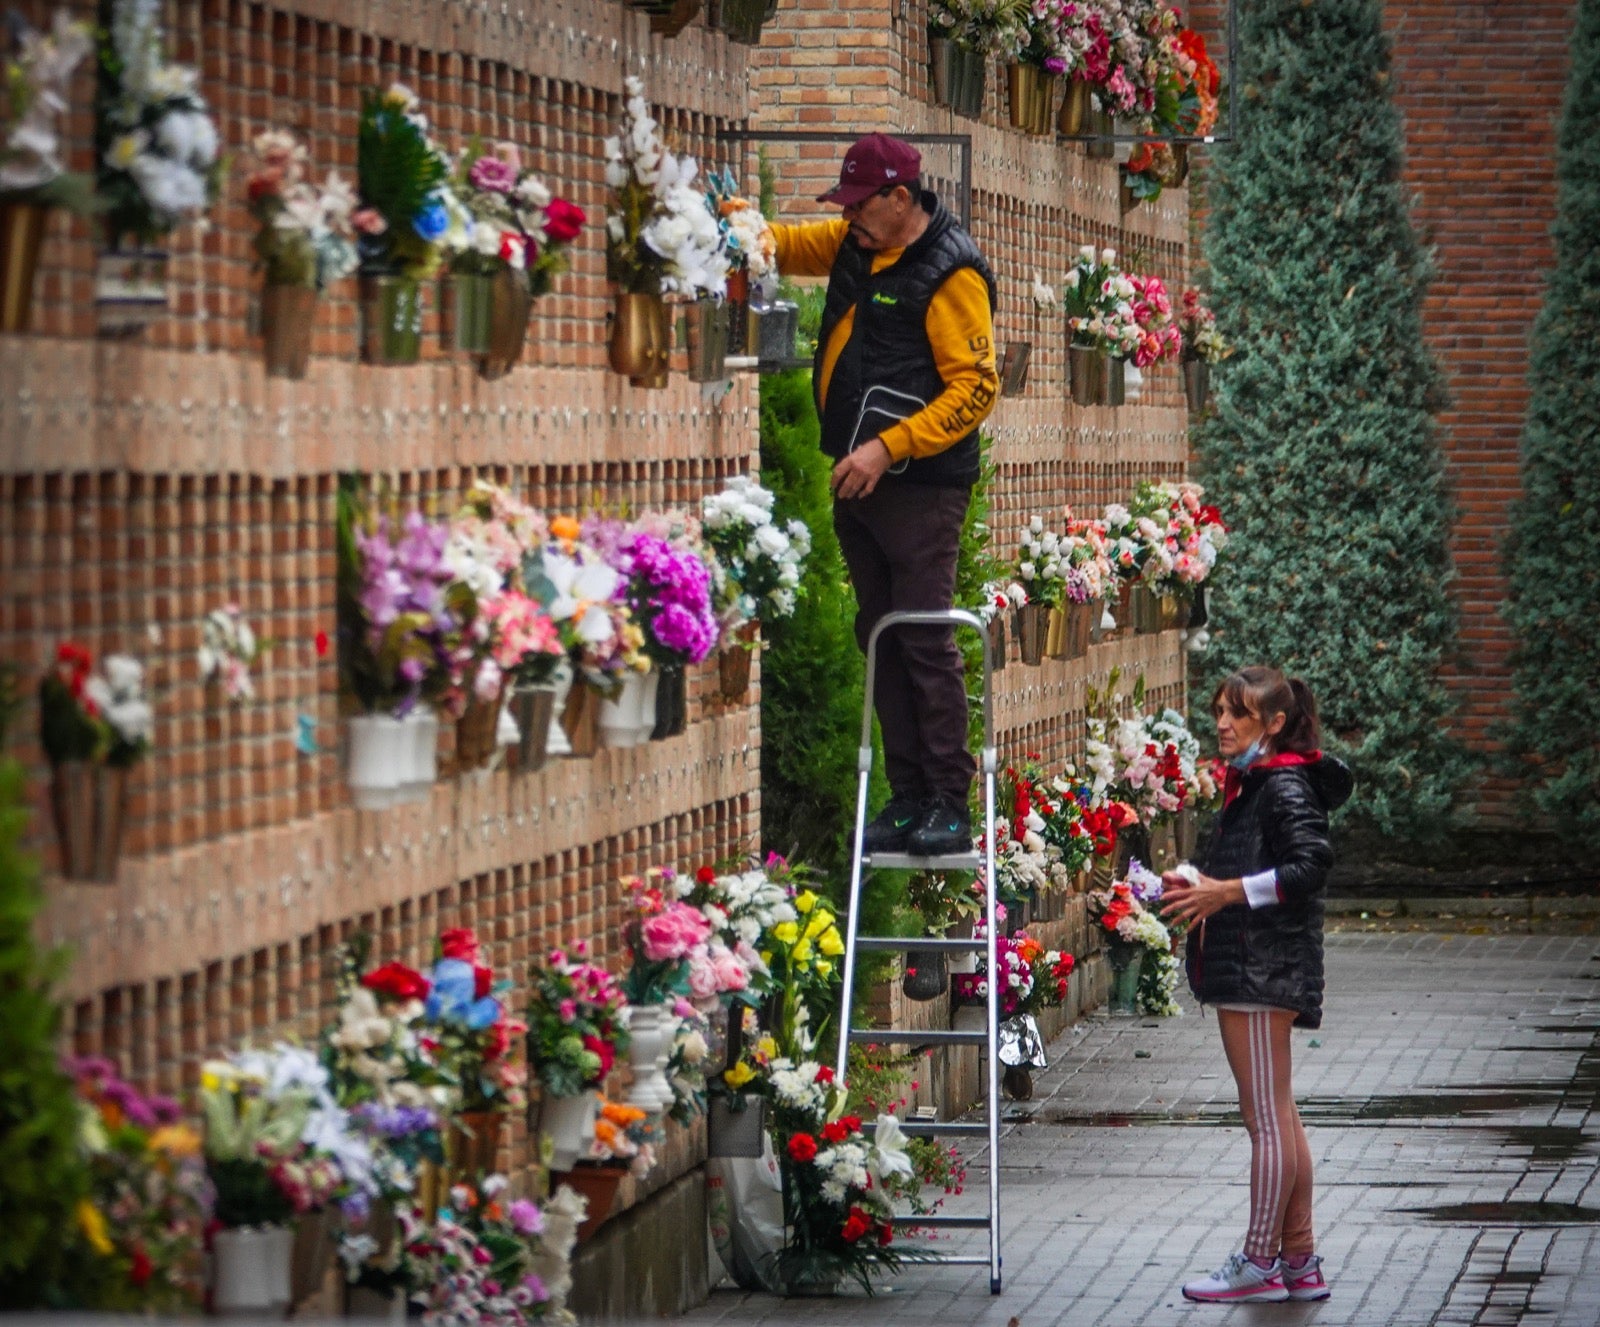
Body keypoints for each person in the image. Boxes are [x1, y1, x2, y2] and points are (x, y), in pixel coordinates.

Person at [767, 133, 999, 857]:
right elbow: (783, 244)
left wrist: (887, 447)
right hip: (858, 479)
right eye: (844, 207)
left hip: (922, 487)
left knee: (925, 638)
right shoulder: (855, 243)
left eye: (860, 205)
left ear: (902, 197)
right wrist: (729, 224)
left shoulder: (948, 270)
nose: (849, 219)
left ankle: (948, 802)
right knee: (881, 636)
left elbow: (977, 387)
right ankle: (905, 800)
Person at [1159, 666, 1353, 1304]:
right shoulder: (1257, 783)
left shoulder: (1281, 784)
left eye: (1238, 714)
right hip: (1254, 962)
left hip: (1260, 967)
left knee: (1265, 1119)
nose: (1221, 723)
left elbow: (1309, 865)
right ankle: (1298, 1262)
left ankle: (1259, 1261)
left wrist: (1226, 892)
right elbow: (1256, 868)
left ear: (1274, 724)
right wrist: (1200, 883)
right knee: (1279, 1116)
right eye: (1219, 710)